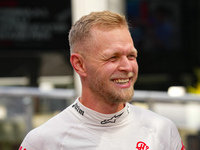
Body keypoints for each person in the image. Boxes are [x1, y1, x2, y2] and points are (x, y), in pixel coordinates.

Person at [19, 11, 186, 150]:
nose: (127, 67)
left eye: (131, 56)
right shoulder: (42, 141)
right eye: (113, 58)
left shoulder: (162, 129)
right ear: (80, 65)